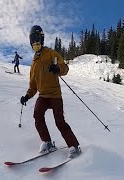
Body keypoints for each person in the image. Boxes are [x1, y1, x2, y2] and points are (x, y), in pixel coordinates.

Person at [20, 25, 81, 158]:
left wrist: (57, 68)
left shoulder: (51, 53)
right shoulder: (34, 63)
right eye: (32, 42)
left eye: (36, 40)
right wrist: (27, 96)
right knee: (37, 115)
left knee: (59, 121)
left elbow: (64, 68)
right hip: (43, 96)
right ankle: (47, 142)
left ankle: (74, 146)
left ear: (41, 39)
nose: (35, 44)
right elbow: (33, 85)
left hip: (55, 95)